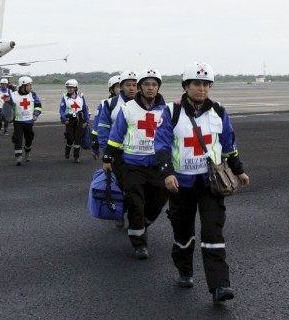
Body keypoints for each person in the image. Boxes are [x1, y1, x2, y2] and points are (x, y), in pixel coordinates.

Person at [154, 62, 250, 303]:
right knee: (183, 232)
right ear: (186, 86)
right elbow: (162, 145)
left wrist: (239, 171)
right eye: (197, 83)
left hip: (211, 183)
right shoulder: (171, 112)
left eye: (206, 84)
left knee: (213, 231)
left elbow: (228, 144)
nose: (202, 88)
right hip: (181, 184)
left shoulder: (218, 111)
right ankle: (185, 269)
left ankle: (219, 286)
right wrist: (167, 173)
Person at [102, 69, 168, 259]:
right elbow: (116, 136)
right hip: (133, 165)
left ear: (158, 88)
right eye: (146, 84)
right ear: (140, 87)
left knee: (157, 202)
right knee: (135, 204)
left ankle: (142, 225)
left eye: (154, 84)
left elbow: (173, 137)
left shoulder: (166, 110)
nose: (150, 88)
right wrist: (108, 157)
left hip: (157, 165)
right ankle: (139, 243)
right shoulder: (128, 108)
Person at [96, 70, 139, 228]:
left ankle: (135, 218)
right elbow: (102, 127)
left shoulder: (146, 104)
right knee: (122, 185)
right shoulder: (111, 104)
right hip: (117, 153)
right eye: (128, 85)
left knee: (137, 187)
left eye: (135, 85)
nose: (132, 88)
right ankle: (120, 213)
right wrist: (105, 151)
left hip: (138, 153)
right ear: (121, 87)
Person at [10, 76, 42, 166]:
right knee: (17, 138)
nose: (31, 87)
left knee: (29, 137)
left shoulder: (33, 94)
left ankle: (27, 151)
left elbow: (38, 105)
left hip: (29, 121)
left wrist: (36, 114)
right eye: (29, 85)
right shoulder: (13, 95)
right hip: (18, 121)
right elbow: (7, 108)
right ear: (23, 86)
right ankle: (18, 156)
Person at [90, 75, 121, 160]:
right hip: (111, 146)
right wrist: (95, 146)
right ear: (111, 89)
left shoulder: (135, 104)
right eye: (118, 86)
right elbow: (96, 128)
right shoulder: (105, 104)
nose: (122, 89)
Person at [59, 79, 90, 163]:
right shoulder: (65, 97)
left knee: (78, 139)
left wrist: (87, 121)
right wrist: (64, 118)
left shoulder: (81, 96)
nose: (69, 89)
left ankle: (76, 156)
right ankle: (67, 149)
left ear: (75, 88)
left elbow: (85, 109)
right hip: (69, 120)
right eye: (68, 87)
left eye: (71, 87)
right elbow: (61, 110)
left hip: (80, 119)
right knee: (70, 138)